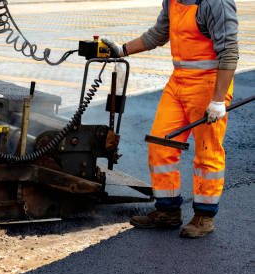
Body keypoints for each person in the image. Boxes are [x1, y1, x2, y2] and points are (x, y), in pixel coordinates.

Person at [102, 0, 239, 238]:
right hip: (178, 82)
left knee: (207, 151)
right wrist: (121, 50)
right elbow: (158, 34)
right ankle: (168, 211)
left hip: (208, 85)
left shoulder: (215, 2)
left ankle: (204, 217)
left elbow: (229, 51)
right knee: (160, 143)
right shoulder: (172, 1)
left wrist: (218, 100)